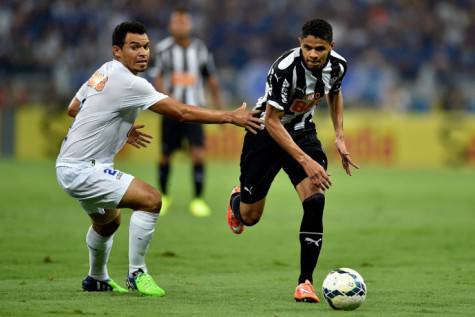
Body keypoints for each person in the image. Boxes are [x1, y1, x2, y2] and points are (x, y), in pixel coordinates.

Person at [55, 21, 260, 297]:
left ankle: (96, 278)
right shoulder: (130, 82)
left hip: (70, 164)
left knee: (109, 222)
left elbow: (73, 108)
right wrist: (230, 116)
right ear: (118, 50)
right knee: (151, 199)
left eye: (146, 46)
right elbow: (182, 113)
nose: (143, 53)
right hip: (83, 169)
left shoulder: (104, 70)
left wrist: (118, 126)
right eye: (134, 47)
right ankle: (136, 273)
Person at [226, 18, 359, 302]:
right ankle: (237, 201)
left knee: (316, 199)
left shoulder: (338, 66)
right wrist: (306, 161)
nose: (313, 54)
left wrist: (339, 135)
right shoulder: (285, 70)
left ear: (330, 47)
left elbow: (335, 93)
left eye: (319, 49)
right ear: (300, 43)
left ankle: (305, 282)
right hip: (264, 134)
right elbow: (273, 121)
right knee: (250, 218)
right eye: (308, 47)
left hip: (302, 132)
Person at [151, 8, 223, 217]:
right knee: (165, 155)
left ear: (190, 25)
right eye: (177, 22)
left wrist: (219, 108)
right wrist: (165, 101)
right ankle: (164, 196)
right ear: (170, 26)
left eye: (184, 22)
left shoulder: (201, 49)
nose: (181, 25)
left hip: (194, 110)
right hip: (171, 112)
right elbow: (158, 77)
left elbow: (211, 78)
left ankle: (198, 200)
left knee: (198, 154)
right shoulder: (163, 49)